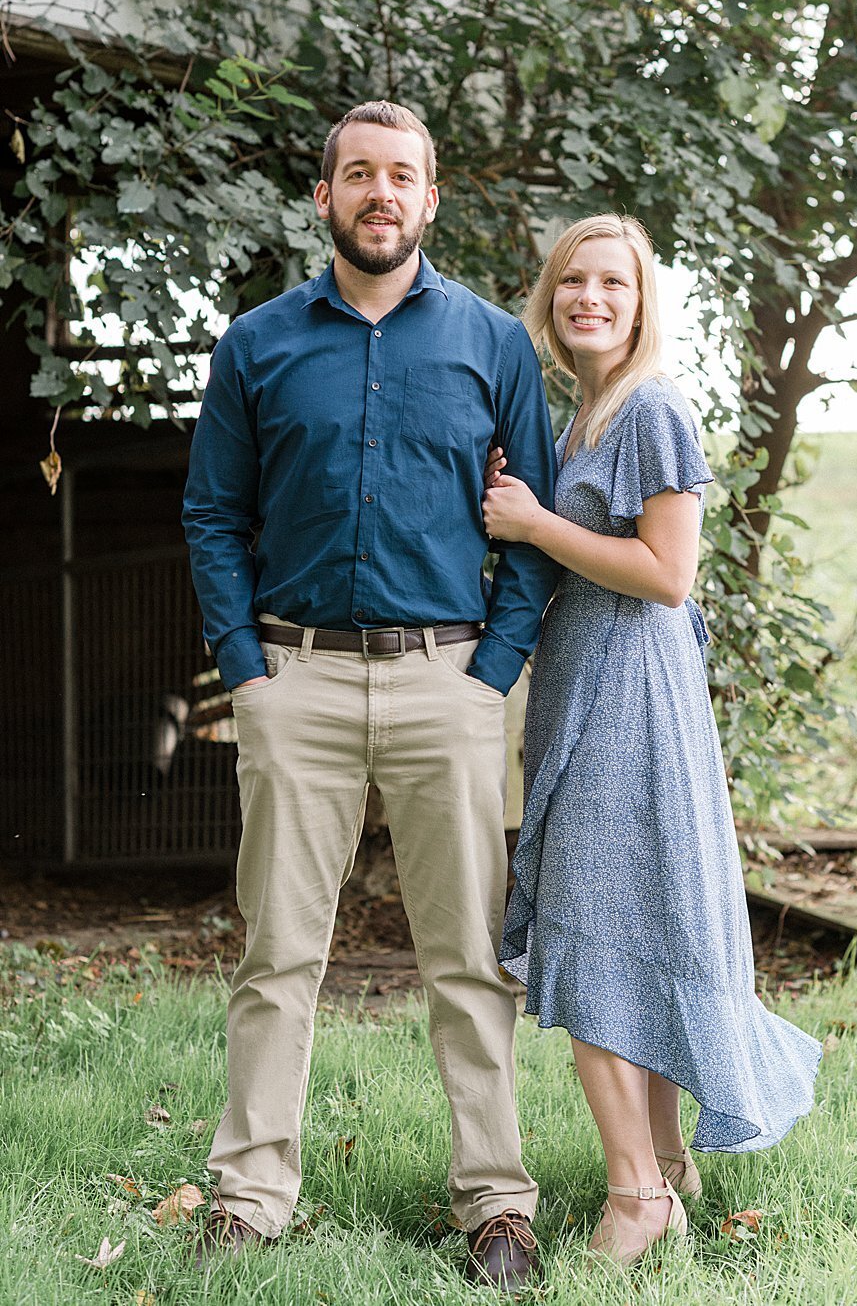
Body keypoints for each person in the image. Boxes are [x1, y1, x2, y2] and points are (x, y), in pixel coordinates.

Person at [182, 101, 558, 1290]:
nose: (378, 193)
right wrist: (248, 672)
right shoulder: (256, 344)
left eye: (401, 175)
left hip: (448, 682)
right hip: (295, 681)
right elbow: (211, 515)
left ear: (430, 199)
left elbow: (535, 523)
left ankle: (496, 1204)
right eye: (357, 174)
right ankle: (248, 1195)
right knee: (278, 955)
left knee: (466, 960)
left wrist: (490, 672)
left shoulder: (493, 343)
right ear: (324, 198)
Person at [482, 214, 822, 1268]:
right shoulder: (585, 416)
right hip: (591, 687)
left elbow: (667, 576)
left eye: (612, 285)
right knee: (635, 923)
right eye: (572, 281)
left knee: (589, 935)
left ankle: (634, 1197)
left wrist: (535, 525)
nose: (590, 297)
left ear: (640, 303)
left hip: (629, 697)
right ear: (549, 297)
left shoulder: (652, 411)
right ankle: (662, 1167)